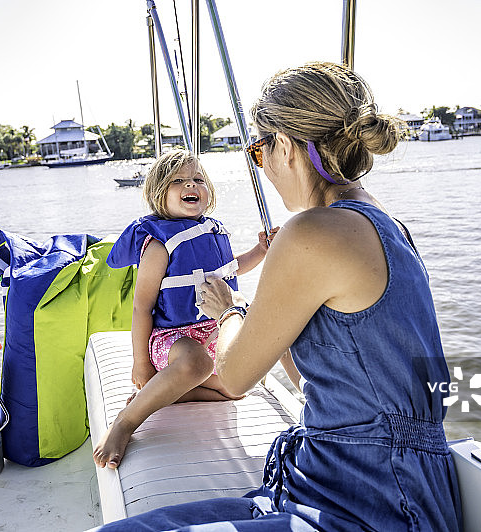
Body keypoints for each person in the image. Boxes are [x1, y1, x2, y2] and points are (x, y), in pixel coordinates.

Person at [94, 62, 462, 531]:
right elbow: (316, 369)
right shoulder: (385, 223)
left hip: (369, 502)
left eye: (258, 151)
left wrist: (231, 309)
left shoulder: (314, 231)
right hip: (378, 482)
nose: (261, 166)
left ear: (284, 146)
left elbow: (235, 374)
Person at [93, 149, 274, 470]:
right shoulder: (159, 245)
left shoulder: (212, 233)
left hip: (212, 331)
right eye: (179, 181)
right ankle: (127, 420)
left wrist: (261, 250)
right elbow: (141, 307)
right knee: (198, 362)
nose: (191, 185)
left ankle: (167, 394)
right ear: (158, 194)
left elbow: (233, 269)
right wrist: (140, 363)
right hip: (172, 340)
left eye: (198, 179)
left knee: (237, 388)